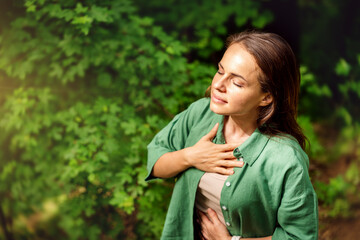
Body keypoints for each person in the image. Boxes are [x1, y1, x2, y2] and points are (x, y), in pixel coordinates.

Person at [146, 30, 318, 240]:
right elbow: (155, 161)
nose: (218, 85)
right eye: (220, 71)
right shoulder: (199, 114)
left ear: (266, 97)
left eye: (237, 83)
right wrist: (190, 157)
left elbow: (300, 236)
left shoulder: (285, 158)